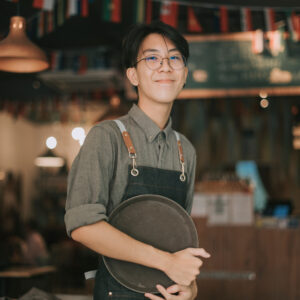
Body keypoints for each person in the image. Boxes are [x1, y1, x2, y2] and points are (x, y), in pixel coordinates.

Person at [65, 21, 210, 300]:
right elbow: (82, 226)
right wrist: (166, 262)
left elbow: (179, 236)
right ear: (133, 75)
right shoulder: (105, 137)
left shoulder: (186, 151)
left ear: (184, 75)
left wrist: (190, 288)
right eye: (152, 58)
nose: (165, 66)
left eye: (174, 58)